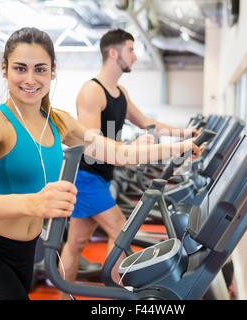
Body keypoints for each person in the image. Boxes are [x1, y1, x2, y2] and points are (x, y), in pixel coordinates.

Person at [0, 27, 201, 300]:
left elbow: (116, 152)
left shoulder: (58, 121)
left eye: (40, 69)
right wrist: (33, 203)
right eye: (20, 68)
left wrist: (180, 147)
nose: (30, 79)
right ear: (4, 69)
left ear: (52, 72)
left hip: (25, 253)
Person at [59, 29, 199, 298]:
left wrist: (184, 134)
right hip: (87, 178)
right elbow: (91, 146)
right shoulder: (92, 91)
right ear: (114, 53)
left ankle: (65, 297)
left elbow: (149, 124)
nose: (135, 56)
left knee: (75, 243)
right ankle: (118, 293)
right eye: (131, 50)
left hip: (101, 178)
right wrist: (130, 150)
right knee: (120, 230)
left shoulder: (119, 92)